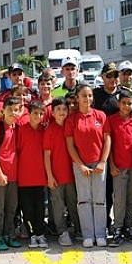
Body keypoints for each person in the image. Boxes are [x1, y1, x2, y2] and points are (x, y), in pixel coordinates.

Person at [65, 85, 111, 248]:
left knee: (99, 200)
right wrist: (80, 165)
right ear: (77, 98)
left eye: (90, 95)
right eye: (84, 96)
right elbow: (70, 145)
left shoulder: (100, 115)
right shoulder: (72, 119)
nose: (87, 99)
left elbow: (107, 140)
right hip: (80, 165)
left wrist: (102, 162)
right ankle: (87, 235)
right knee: (83, 200)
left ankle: (100, 234)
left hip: (99, 163)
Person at [107, 91, 132, 246]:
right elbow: (109, 146)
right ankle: (118, 228)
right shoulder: (111, 120)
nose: (126, 106)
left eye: (129, 103)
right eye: (123, 103)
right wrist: (112, 164)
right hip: (119, 167)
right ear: (118, 103)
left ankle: (128, 226)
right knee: (119, 198)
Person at [44, 97, 80, 246]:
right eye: (58, 109)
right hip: (56, 175)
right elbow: (47, 155)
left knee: (73, 203)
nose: (61, 112)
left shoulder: (71, 126)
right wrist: (49, 176)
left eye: (64, 109)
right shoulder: (49, 130)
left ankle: (78, 229)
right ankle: (62, 231)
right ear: (52, 112)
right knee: (57, 204)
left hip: (71, 175)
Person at [0, 97, 22, 251]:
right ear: (3, 111)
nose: (13, 113)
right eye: (10, 110)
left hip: (15, 175)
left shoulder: (17, 127)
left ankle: (9, 235)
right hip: (1, 174)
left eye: (16, 110)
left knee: (12, 207)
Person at [17, 101, 48, 248]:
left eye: (41, 113)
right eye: (35, 113)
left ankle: (40, 233)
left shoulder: (45, 130)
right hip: (24, 177)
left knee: (40, 208)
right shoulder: (21, 130)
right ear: (29, 114)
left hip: (40, 177)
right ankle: (32, 235)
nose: (38, 116)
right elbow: (17, 151)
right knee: (27, 209)